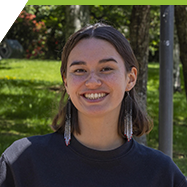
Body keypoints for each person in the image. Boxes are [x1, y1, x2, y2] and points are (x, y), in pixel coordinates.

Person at [0, 23, 186, 187]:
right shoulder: (22, 161)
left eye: (106, 69)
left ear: (130, 78)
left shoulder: (161, 173)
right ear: (66, 81)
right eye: (79, 70)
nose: (92, 82)